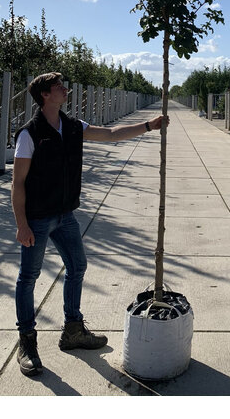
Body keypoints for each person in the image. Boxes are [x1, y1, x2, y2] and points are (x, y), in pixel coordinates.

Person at [12, 71, 167, 377]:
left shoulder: (72, 126)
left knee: (77, 267)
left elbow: (111, 134)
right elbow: (18, 183)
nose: (65, 89)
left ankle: (73, 330)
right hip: (38, 218)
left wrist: (148, 126)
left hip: (65, 215)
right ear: (45, 95)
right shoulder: (29, 134)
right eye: (58, 86)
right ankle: (27, 341)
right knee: (28, 278)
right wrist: (22, 224)